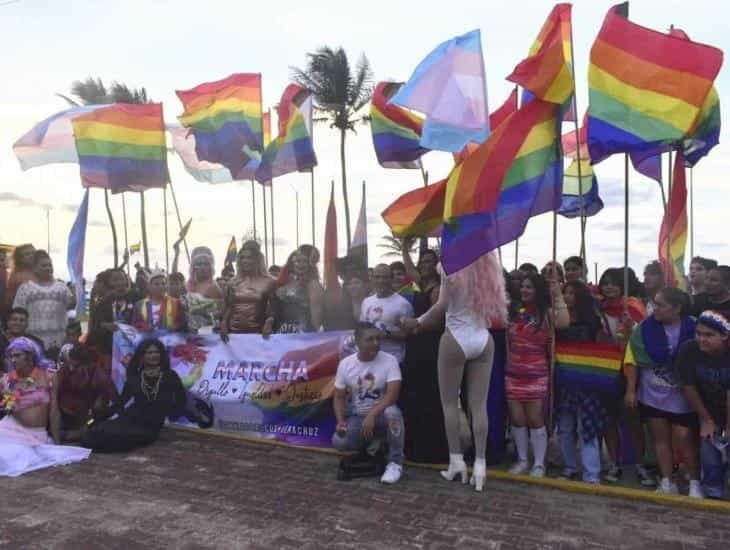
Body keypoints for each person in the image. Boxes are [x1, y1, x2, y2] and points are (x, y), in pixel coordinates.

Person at [402, 251, 505, 491]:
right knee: (478, 405)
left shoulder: (451, 266)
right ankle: (480, 465)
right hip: (482, 337)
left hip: (456, 337)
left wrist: (417, 322)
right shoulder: (489, 269)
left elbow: (440, 307)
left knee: (449, 404)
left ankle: (456, 462)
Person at [624, 288, 701, 496]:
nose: (654, 308)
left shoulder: (695, 328)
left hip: (683, 396)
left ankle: (695, 482)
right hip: (652, 395)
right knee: (660, 439)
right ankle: (667, 481)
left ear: (677, 308)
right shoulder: (643, 329)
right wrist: (631, 389)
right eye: (654, 303)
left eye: (660, 305)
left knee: (684, 437)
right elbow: (633, 360)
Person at [506, 273, 570, 477]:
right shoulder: (514, 311)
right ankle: (523, 460)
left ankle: (539, 463)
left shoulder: (548, 314)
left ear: (539, 291)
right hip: (513, 373)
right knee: (517, 419)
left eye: (530, 287)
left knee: (535, 418)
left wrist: (558, 294)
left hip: (537, 374)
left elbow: (564, 322)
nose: (524, 290)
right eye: (523, 286)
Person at [0, 337, 90, 476]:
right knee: (11, 459)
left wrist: (57, 441)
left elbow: (53, 410)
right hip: (11, 431)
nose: (13, 360)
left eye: (17, 355)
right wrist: (9, 394)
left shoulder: (49, 376)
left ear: (30, 355)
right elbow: (7, 408)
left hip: (38, 434)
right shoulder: (8, 380)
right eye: (11, 356)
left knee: (27, 458)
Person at [80, 339, 186, 452]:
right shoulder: (135, 377)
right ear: (142, 356)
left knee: (114, 441)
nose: (154, 355)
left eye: (156, 352)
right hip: (130, 418)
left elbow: (181, 401)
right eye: (149, 353)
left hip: (149, 426)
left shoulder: (170, 376)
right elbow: (120, 402)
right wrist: (97, 419)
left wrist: (165, 411)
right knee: (93, 435)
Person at [596, 267, 651, 485]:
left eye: (613, 283)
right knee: (608, 419)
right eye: (605, 283)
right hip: (605, 368)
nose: (609, 287)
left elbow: (644, 335)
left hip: (630, 368)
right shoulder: (598, 308)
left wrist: (632, 326)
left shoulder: (634, 307)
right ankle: (613, 463)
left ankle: (639, 463)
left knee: (633, 417)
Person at [332, 322, 405, 484]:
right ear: (357, 342)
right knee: (339, 441)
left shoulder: (390, 360)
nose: (376, 343)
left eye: (378, 338)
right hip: (359, 417)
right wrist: (340, 421)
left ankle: (395, 462)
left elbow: (392, 395)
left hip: (383, 414)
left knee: (393, 413)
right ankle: (374, 445)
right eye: (370, 339)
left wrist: (372, 415)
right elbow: (338, 397)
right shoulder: (346, 364)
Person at [400, 246, 447, 463]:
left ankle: (431, 449)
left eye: (429, 261)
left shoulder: (437, 289)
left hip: (429, 345)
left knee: (429, 395)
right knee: (414, 395)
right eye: (423, 261)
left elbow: (437, 321)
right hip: (416, 345)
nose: (424, 265)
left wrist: (414, 327)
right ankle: (413, 445)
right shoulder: (422, 283)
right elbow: (409, 269)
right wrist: (403, 245)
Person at [556, 281, 605, 484]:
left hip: (587, 380)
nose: (567, 296)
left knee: (587, 428)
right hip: (564, 379)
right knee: (565, 427)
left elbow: (602, 345)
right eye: (565, 292)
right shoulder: (558, 319)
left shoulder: (593, 320)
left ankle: (591, 474)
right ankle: (569, 466)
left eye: (572, 293)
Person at [678, 311, 730, 499]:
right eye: (698, 333)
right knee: (711, 465)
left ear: (724, 335)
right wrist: (706, 419)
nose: (701, 339)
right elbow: (688, 386)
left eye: (709, 335)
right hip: (708, 411)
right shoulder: (689, 350)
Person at [50, 343, 118, 442]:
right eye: (70, 365)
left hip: (87, 420)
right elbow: (54, 405)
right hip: (61, 418)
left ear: (89, 365)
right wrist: (57, 441)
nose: (72, 369)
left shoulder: (100, 376)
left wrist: (87, 426)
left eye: (76, 366)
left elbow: (116, 404)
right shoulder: (63, 372)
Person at [13, 250, 74, 352]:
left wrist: (76, 291)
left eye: (50, 265)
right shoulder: (25, 288)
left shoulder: (62, 288)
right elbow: (17, 313)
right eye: (44, 265)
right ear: (34, 268)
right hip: (33, 341)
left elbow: (71, 306)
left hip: (58, 340)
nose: (48, 268)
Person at [220, 241, 276, 339]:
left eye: (249, 257)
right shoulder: (231, 283)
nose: (245, 261)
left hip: (259, 335)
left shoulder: (269, 282)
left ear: (257, 260)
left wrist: (269, 322)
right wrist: (223, 322)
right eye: (242, 258)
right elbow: (228, 307)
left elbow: (275, 310)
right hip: (233, 336)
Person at [360, 264, 414, 365]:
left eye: (385, 277)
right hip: (370, 360)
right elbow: (362, 329)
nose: (381, 281)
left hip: (393, 360)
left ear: (391, 279)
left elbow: (407, 335)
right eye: (377, 277)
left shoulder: (403, 304)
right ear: (372, 278)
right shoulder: (366, 302)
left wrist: (386, 334)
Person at [271, 247, 324, 333]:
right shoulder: (287, 282)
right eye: (298, 261)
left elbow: (316, 322)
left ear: (311, 264)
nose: (300, 264)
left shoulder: (313, 285)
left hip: (303, 335)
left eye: (305, 261)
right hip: (282, 333)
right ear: (292, 262)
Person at [186, 246, 224, 332]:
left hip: (207, 332)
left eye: (206, 264)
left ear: (211, 266)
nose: (202, 267)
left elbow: (221, 312)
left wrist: (203, 313)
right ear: (193, 266)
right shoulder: (187, 285)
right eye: (199, 264)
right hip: (188, 331)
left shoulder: (213, 287)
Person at [1, 307, 46, 371]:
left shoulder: (37, 342)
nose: (18, 323)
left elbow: (43, 366)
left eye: (22, 320)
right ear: (8, 322)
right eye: (14, 319)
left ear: (27, 324)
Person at [5, 244, 36, 308]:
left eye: (33, 253)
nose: (31, 255)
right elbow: (10, 299)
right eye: (27, 254)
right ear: (20, 258)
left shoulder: (41, 271)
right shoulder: (16, 275)